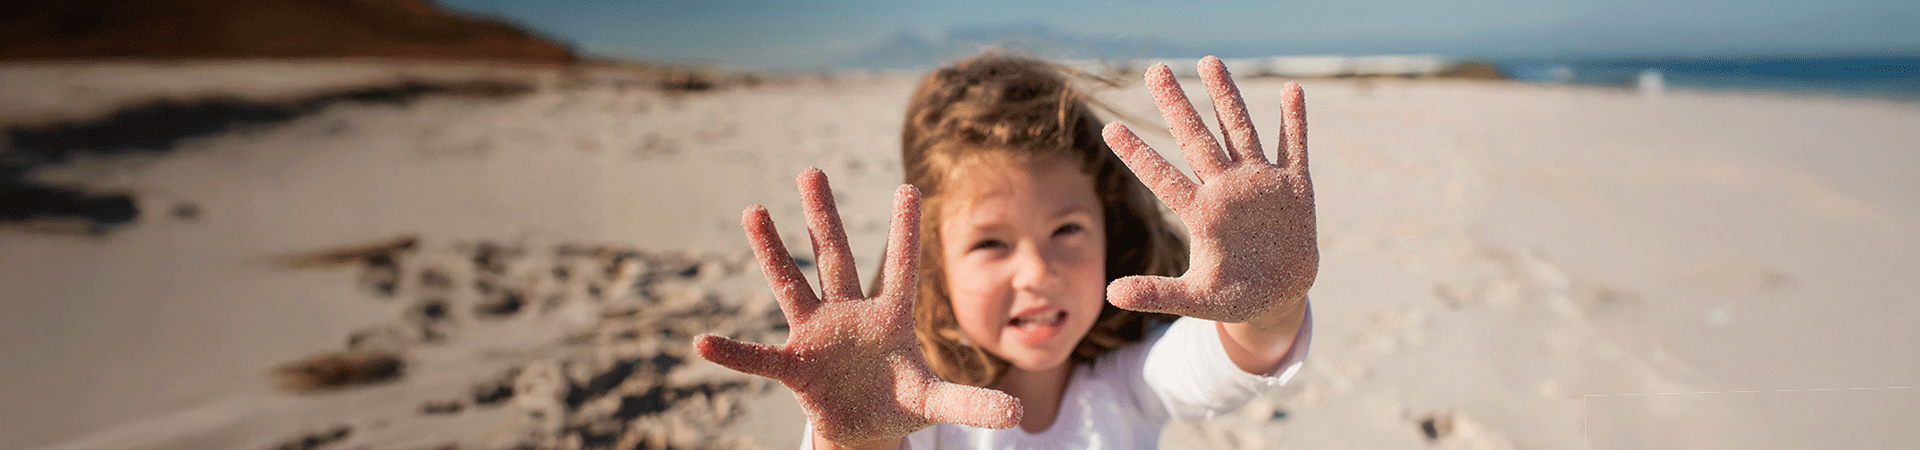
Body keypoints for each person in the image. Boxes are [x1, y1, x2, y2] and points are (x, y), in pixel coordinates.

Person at [695, 51, 1318, 449]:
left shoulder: (1126, 382)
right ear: (935, 262)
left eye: (1067, 230)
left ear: (1109, 228)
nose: (1038, 272)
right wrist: (855, 436)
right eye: (992, 243)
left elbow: (1234, 355)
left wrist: (1270, 302)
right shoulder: (914, 408)